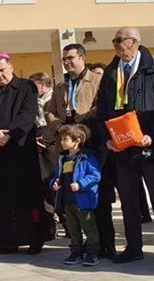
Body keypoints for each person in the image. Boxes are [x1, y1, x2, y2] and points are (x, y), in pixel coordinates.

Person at [96, 27, 154, 265]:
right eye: (114, 42)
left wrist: (153, 135)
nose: (116, 46)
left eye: (120, 41)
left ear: (134, 42)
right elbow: (102, 109)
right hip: (122, 147)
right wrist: (106, 138)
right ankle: (133, 247)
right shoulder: (112, 72)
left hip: (148, 146)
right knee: (129, 200)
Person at [44, 44, 116, 257]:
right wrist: (59, 126)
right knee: (73, 201)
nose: (67, 62)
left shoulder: (97, 81)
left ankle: (106, 243)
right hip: (69, 151)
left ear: (83, 58)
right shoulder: (60, 87)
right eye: (64, 59)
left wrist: (81, 121)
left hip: (93, 145)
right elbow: (49, 112)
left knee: (99, 198)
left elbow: (101, 106)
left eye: (71, 58)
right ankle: (83, 243)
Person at [0, 52, 48, 254]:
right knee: (0, 200)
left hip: (21, 153)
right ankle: (7, 240)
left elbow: (28, 114)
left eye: (3, 70)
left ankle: (34, 239)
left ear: (11, 67)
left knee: (28, 199)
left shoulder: (26, 87)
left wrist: (10, 135)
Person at [50, 124, 102, 266]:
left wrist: (81, 184)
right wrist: (54, 184)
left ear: (77, 140)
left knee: (89, 227)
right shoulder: (63, 159)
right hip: (67, 200)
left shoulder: (87, 158)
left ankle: (93, 251)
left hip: (83, 201)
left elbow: (95, 175)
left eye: (65, 139)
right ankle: (76, 250)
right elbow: (57, 176)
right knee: (73, 228)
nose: (62, 142)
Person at [30, 72, 59, 242]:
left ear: (42, 85)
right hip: (37, 148)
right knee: (43, 189)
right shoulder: (32, 102)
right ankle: (48, 227)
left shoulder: (55, 98)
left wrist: (46, 139)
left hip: (54, 147)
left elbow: (59, 120)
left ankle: (70, 226)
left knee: (57, 186)